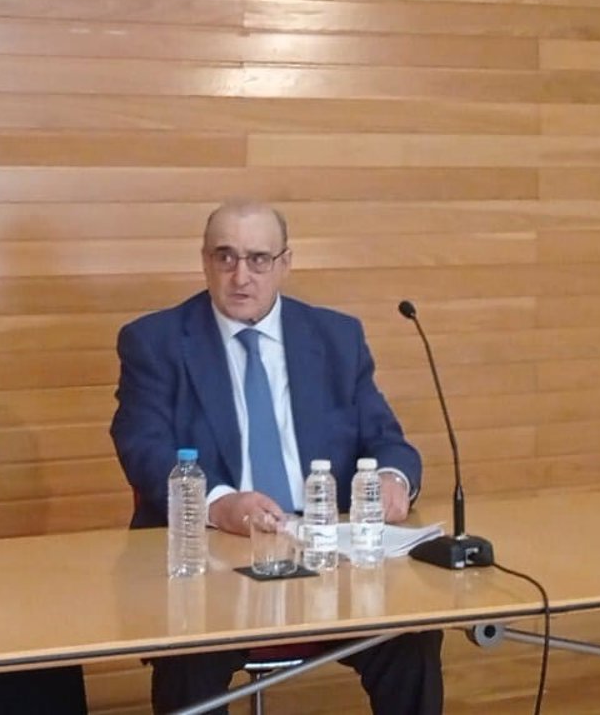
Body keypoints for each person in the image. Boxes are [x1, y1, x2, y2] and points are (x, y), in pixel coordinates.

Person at [111, 199, 444, 715]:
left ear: (285, 263)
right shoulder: (156, 342)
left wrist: (394, 479)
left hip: (325, 554)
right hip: (211, 559)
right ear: (204, 261)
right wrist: (218, 504)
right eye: (225, 257)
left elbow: (386, 440)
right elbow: (143, 446)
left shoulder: (336, 338)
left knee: (411, 635)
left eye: (259, 259)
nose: (240, 276)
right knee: (188, 650)